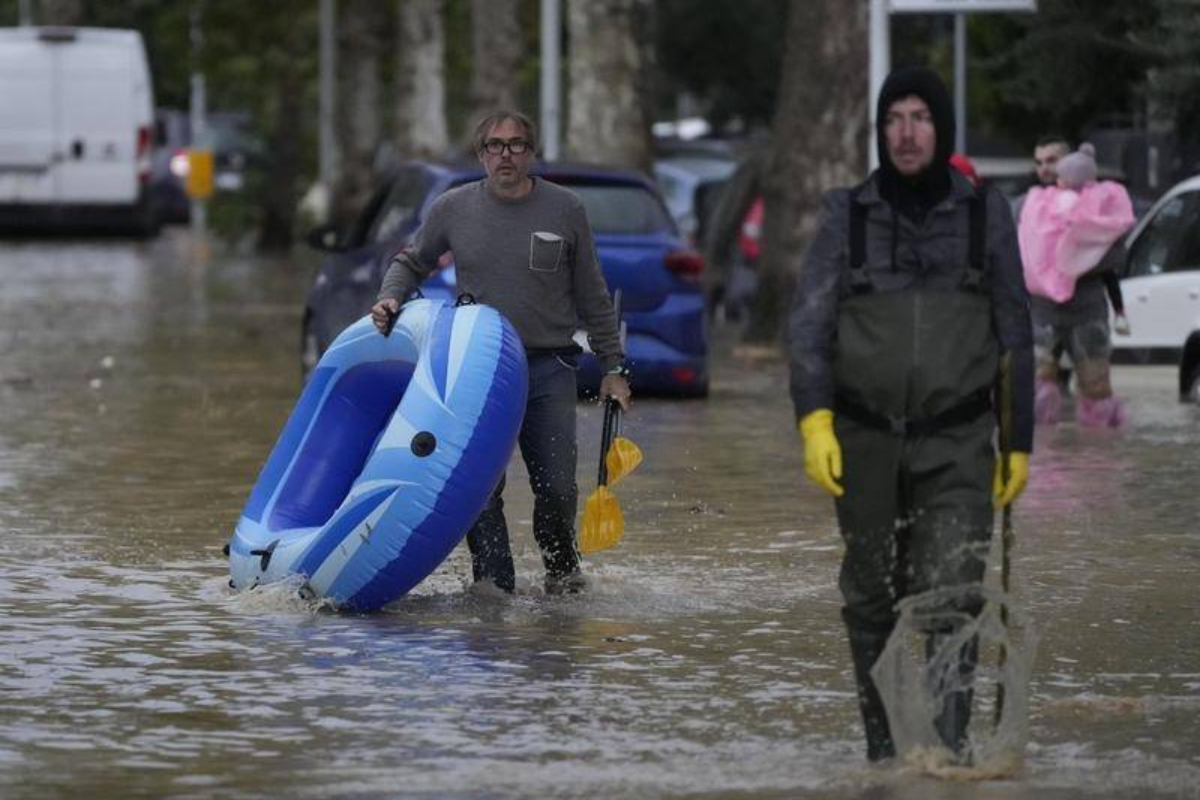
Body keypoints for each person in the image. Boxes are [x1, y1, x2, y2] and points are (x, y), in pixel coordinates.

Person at [788, 67, 1033, 761]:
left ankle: (948, 757)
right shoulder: (847, 213)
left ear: (943, 127)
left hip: (959, 443)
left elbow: (1015, 334)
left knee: (952, 589)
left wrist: (1019, 443)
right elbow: (808, 326)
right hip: (862, 440)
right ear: (879, 129)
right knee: (870, 595)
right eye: (894, 117)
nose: (906, 131)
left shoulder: (988, 214)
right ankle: (887, 758)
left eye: (921, 116)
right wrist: (814, 420)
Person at [371, 110, 631, 595]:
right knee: (480, 491)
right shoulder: (453, 208)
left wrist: (613, 367)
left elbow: (593, 295)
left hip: (549, 366)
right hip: (480, 371)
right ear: (480, 154)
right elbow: (411, 262)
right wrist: (390, 296)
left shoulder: (566, 209)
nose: (505, 155)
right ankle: (493, 587)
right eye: (495, 145)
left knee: (556, 487)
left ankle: (561, 576)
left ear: (532, 154)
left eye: (516, 145)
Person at [1018, 142, 1134, 427]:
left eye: (1053, 160)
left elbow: (1117, 255)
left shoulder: (1102, 204)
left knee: (1096, 388)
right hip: (1042, 312)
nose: (1047, 168)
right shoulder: (1026, 205)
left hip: (1086, 310)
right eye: (1040, 162)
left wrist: (1080, 255)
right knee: (1036, 388)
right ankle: (1044, 460)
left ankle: (1097, 463)